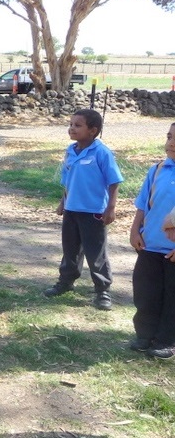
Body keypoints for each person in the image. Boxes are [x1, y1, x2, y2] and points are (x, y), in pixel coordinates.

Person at [43, 109, 123, 311]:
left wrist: (110, 207)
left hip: (94, 211)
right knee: (70, 249)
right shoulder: (70, 151)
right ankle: (66, 282)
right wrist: (63, 202)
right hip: (72, 209)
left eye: (78, 125)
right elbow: (67, 181)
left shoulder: (102, 152)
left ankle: (102, 290)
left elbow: (114, 182)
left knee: (95, 252)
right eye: (70, 124)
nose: (72, 128)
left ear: (93, 130)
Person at [128, 122, 175, 359]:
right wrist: (135, 230)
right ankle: (145, 334)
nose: (171, 142)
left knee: (172, 297)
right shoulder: (157, 170)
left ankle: (167, 339)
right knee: (146, 292)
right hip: (150, 245)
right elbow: (142, 205)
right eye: (169, 136)